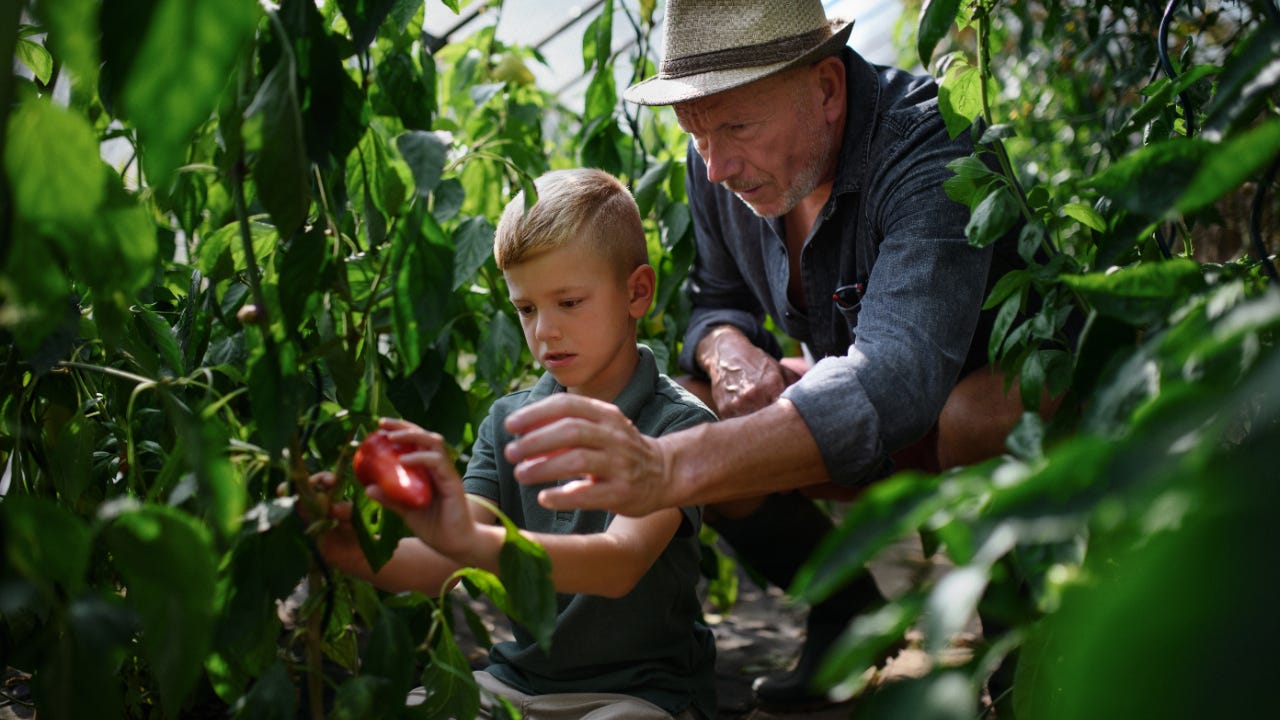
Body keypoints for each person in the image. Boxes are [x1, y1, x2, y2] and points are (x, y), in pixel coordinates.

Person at [497, 0, 1038, 710]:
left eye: (737, 126)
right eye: (696, 134)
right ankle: (844, 608)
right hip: (870, 414)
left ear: (827, 89)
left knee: (979, 413)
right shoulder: (723, 164)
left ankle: (1019, 625)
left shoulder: (931, 140)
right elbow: (716, 297)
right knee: (690, 402)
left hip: (988, 415)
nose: (716, 166)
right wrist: (728, 352)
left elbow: (901, 376)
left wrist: (668, 466)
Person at [314, 168, 718, 719]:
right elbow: (443, 563)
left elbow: (617, 564)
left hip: (639, 693)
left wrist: (471, 542)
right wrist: (350, 549)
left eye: (569, 303)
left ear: (637, 292)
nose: (544, 330)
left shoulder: (679, 427)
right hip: (518, 682)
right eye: (526, 309)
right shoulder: (508, 421)